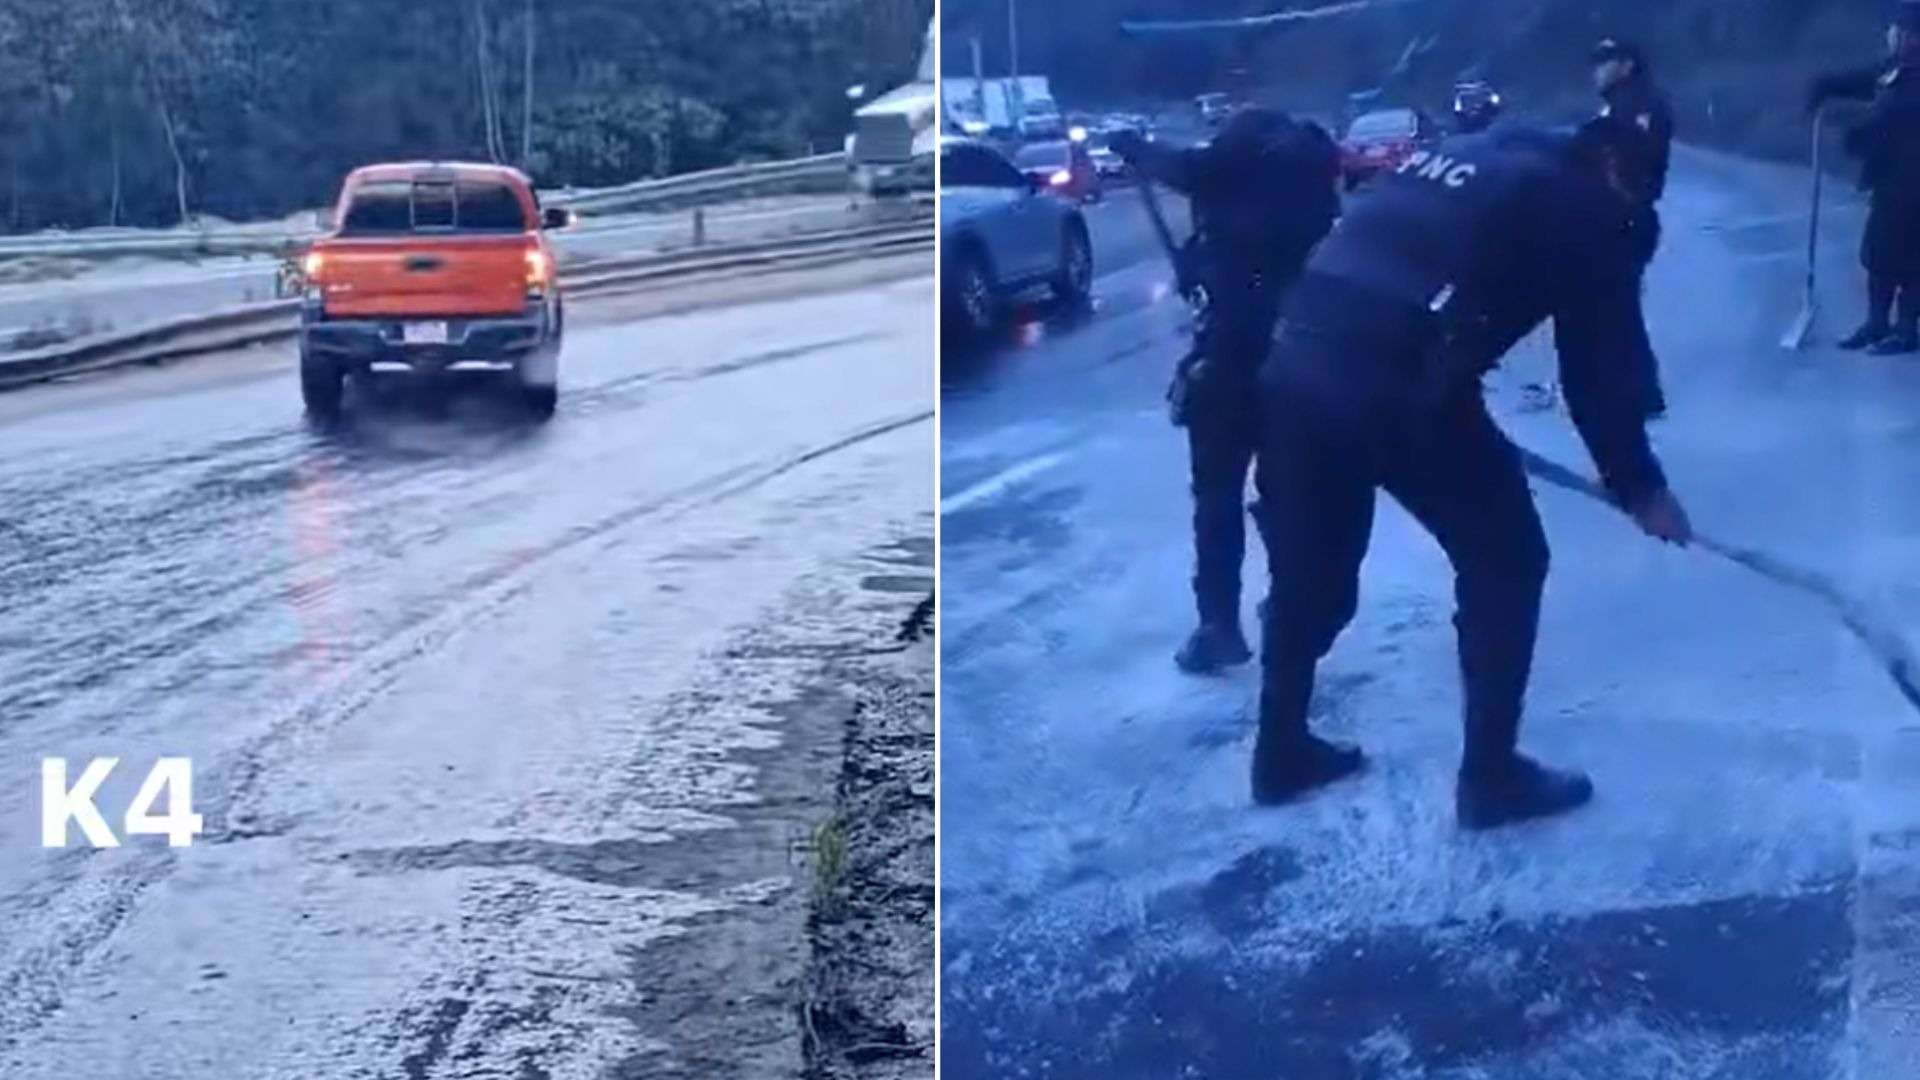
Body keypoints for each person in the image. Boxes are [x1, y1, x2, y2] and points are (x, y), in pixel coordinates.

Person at [1248, 119, 1694, 830]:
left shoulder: (1488, 150)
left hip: (1295, 355)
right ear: (1615, 168)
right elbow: (1598, 370)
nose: (1640, 206)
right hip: (1392, 376)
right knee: (1507, 560)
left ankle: (1280, 753)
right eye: (1641, 188)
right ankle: (1491, 779)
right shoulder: (1591, 208)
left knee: (1308, 573)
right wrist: (1639, 485)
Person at [1112, 110, 1341, 675]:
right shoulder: (1310, 175)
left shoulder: (1227, 184)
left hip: (1232, 352)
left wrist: (1134, 146)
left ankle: (1219, 624)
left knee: (1217, 495)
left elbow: (1181, 167)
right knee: (1289, 491)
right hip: (1302, 350)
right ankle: (1291, 606)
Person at [1809, 1, 1920, 355]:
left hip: (1913, 182)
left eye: (1899, 30)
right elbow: (1866, 80)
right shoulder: (1896, 68)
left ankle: (1907, 330)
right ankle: (1876, 322)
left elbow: (1894, 116)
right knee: (1877, 252)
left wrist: (1857, 130)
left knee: (1910, 257)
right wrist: (1827, 86)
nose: (1892, 36)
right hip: (1891, 180)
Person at [1592, 37, 1674, 415]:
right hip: (1618, 214)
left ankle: (1641, 394)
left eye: (1606, 61)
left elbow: (1641, 158)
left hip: (1628, 214)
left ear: (1626, 65)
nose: (1598, 70)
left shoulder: (1639, 105)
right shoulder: (1619, 105)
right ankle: (1636, 391)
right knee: (1617, 307)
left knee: (1618, 307)